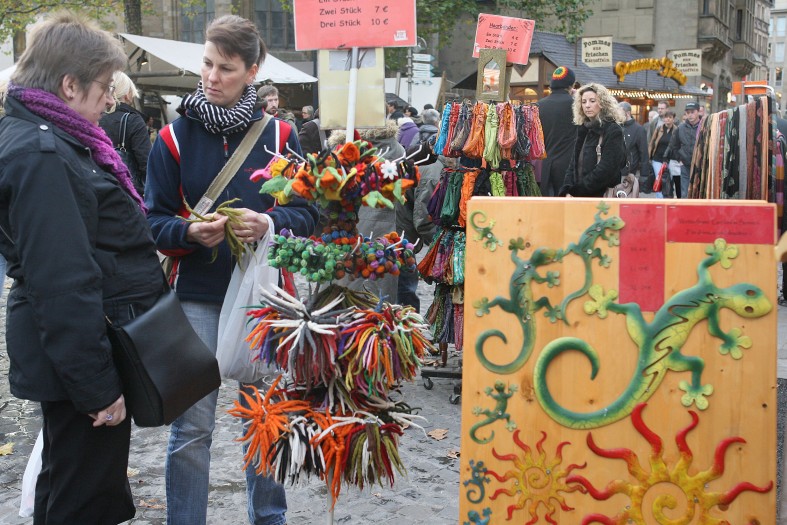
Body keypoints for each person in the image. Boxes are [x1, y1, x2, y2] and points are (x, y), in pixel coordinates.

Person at [145, 15, 318, 525]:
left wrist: (270, 222)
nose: (211, 76)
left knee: (265, 418)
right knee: (192, 429)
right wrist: (189, 233)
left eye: (225, 67)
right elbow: (152, 223)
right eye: (206, 63)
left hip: (265, 297)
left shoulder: (282, 135)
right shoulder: (172, 139)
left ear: (252, 71)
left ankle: (269, 517)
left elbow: (309, 213)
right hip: (196, 297)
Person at [0, 12, 164, 524]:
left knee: (68, 487)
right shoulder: (45, 152)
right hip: (79, 359)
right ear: (69, 85)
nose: (109, 101)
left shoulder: (48, 138)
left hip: (78, 350)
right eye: (104, 87)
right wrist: (98, 388)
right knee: (84, 502)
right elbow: (62, 282)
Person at [559, 83, 627, 197]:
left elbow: (606, 170)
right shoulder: (583, 128)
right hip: (579, 196)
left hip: (601, 197)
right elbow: (573, 165)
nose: (587, 105)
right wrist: (567, 189)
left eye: (592, 101)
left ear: (603, 103)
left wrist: (577, 191)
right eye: (584, 102)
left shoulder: (613, 130)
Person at [99, 71, 151, 196]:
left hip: (98, 188)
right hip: (128, 192)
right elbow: (147, 163)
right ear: (127, 95)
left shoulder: (94, 116)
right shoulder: (133, 120)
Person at [537, 66, 578, 196]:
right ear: (571, 85)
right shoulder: (576, 106)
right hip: (569, 165)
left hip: (546, 164)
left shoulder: (539, 105)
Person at [667, 101, 701, 198]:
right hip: (685, 165)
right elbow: (674, 145)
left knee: (699, 193)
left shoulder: (703, 126)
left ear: (698, 112)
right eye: (688, 112)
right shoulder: (680, 128)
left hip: (700, 165)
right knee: (684, 193)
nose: (690, 115)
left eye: (692, 112)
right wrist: (680, 159)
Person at [618, 101, 653, 193]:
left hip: (629, 172)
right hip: (614, 171)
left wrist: (644, 175)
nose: (616, 115)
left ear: (627, 113)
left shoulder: (639, 129)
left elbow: (644, 153)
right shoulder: (616, 127)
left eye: (619, 112)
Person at [648, 109, 677, 197]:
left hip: (670, 160)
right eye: (666, 117)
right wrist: (649, 156)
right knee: (659, 179)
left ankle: (667, 198)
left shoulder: (676, 130)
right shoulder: (659, 129)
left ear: (673, 119)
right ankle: (660, 200)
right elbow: (652, 142)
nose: (667, 119)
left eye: (670, 117)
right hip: (657, 158)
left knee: (668, 181)